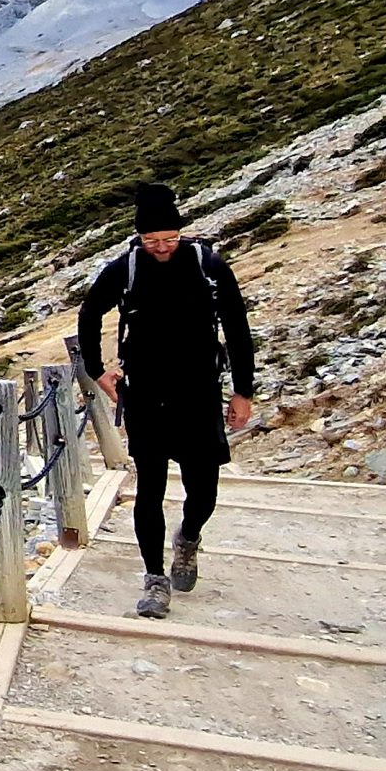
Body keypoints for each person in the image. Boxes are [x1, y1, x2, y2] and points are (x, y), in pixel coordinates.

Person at [75, 182, 255, 620]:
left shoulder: (208, 265)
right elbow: (89, 312)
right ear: (139, 237)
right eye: (152, 240)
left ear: (181, 233)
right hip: (146, 395)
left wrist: (243, 391)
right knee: (149, 490)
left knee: (204, 490)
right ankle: (154, 578)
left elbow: (236, 325)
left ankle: (188, 538)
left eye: (169, 239)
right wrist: (98, 370)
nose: (161, 247)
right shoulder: (126, 268)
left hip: (198, 392)